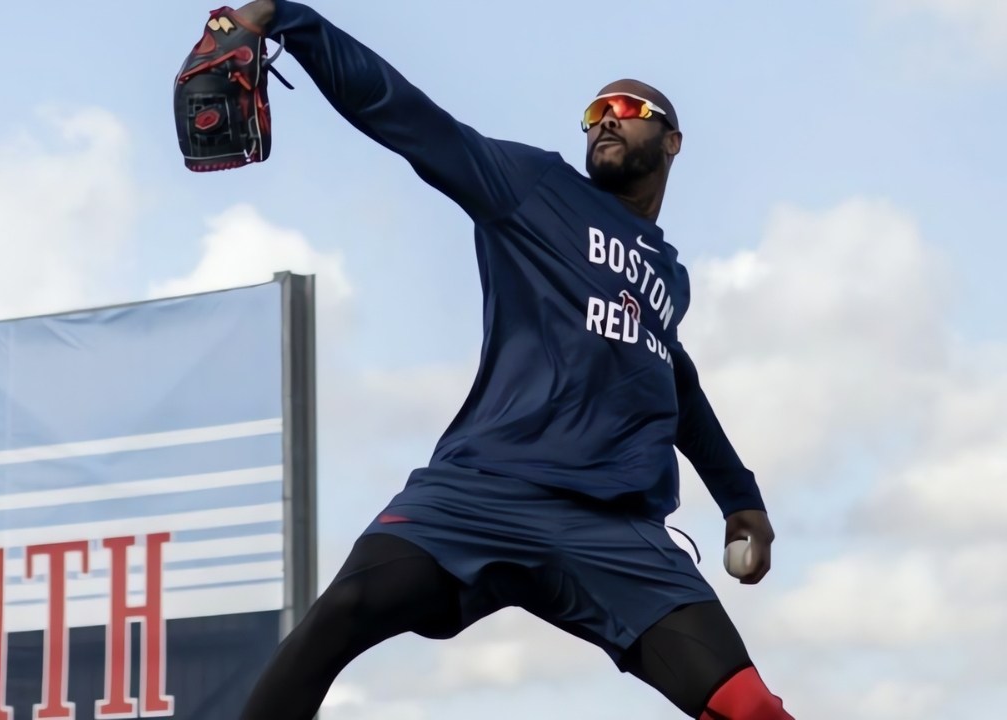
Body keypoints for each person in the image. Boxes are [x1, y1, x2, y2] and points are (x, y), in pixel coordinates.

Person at [228, 1, 794, 718]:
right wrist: (289, 19)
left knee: (750, 707)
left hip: (611, 528)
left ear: (673, 140)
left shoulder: (668, 274)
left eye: (628, 106)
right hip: (480, 494)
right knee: (340, 615)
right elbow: (407, 115)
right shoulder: (533, 189)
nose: (607, 119)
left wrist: (739, 496)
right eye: (595, 112)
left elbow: (670, 375)